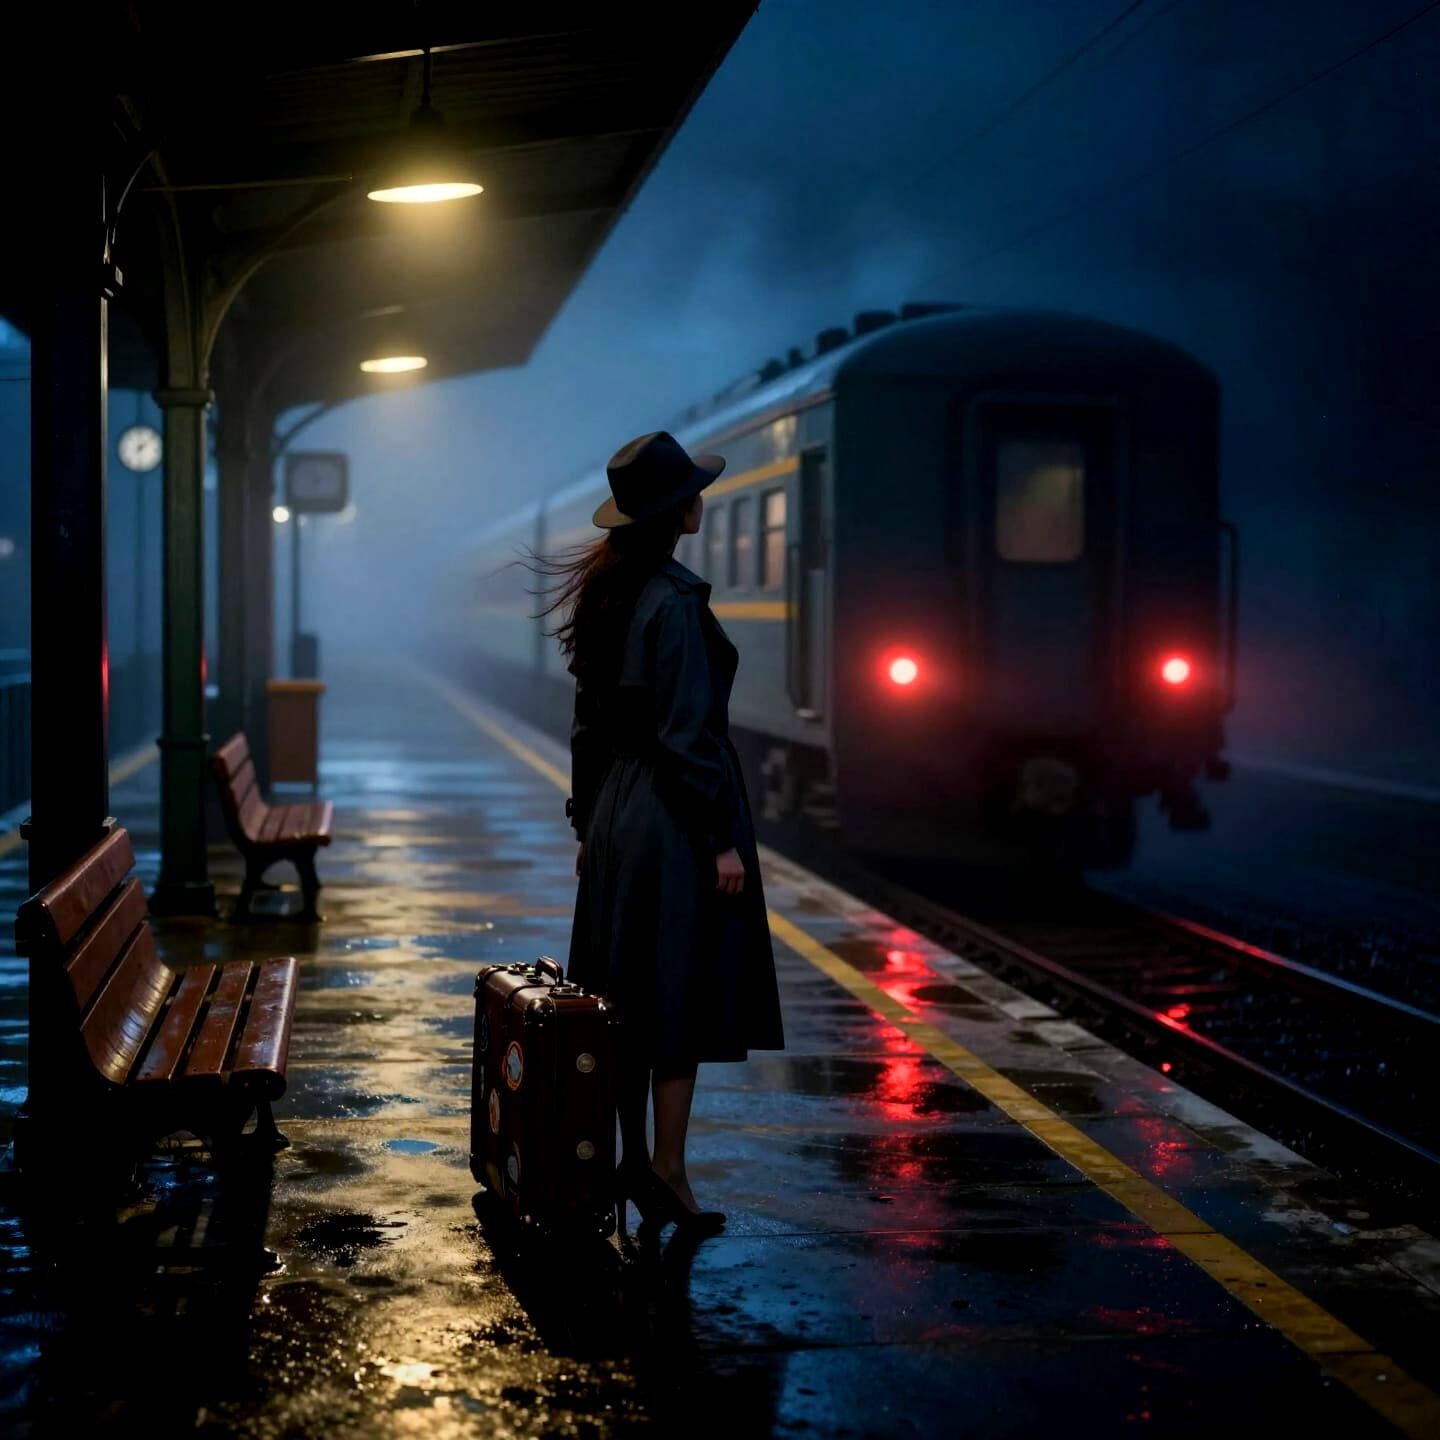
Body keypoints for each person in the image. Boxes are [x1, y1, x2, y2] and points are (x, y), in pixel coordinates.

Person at [537, 430, 785, 1239]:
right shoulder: (674, 601)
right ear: (678, 509)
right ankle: (670, 1173)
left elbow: (587, 728)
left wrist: (587, 821)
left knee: (620, 996)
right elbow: (689, 735)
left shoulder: (609, 597)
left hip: (616, 814)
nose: (701, 499)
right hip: (672, 819)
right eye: (693, 491)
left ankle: (626, 1160)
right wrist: (719, 838)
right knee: (673, 992)